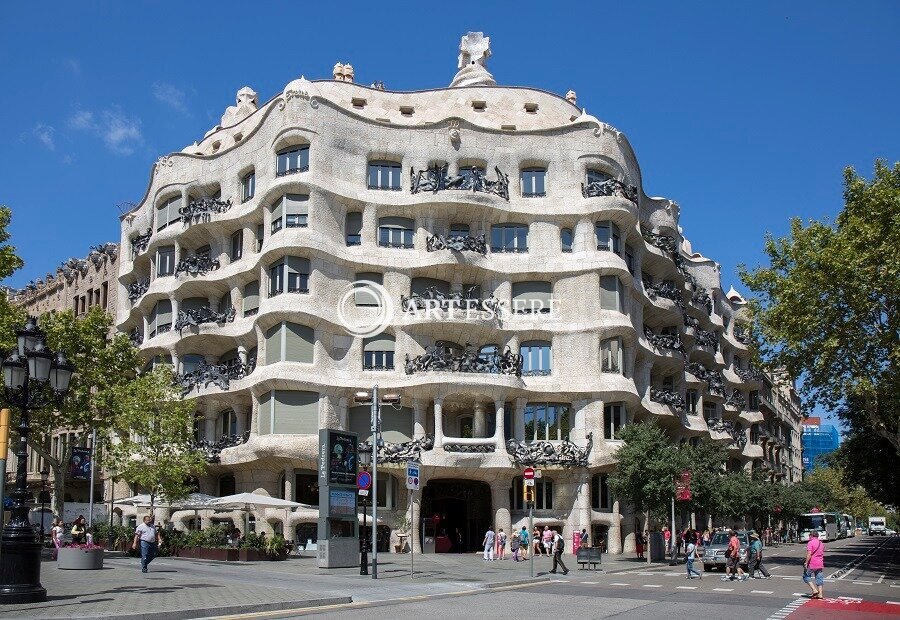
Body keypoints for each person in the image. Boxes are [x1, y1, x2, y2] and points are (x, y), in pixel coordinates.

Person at [803, 530, 825, 599]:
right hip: (820, 563)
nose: (809, 536)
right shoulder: (821, 543)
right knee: (819, 578)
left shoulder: (810, 543)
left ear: (812, 536)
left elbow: (809, 554)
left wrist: (806, 562)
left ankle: (814, 590)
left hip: (812, 563)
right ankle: (820, 594)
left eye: (809, 535)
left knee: (806, 575)